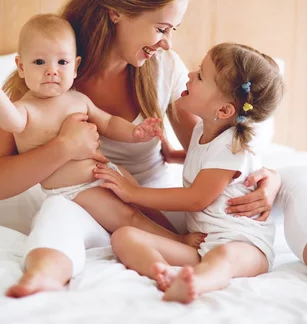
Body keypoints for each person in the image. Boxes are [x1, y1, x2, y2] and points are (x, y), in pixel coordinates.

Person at [0, 0, 307, 299]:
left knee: (303, 177)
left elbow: (207, 148)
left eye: (173, 29)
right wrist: (62, 148)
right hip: (95, 206)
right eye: (161, 27)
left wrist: (265, 175)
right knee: (57, 213)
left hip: (161, 206)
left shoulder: (163, 68)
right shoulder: (51, 72)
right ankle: (44, 276)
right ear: (117, 11)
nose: (168, 42)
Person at [0, 14, 204, 297]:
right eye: (39, 62)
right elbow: (9, 121)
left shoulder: (78, 99)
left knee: (141, 204)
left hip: (107, 173)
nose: (52, 71)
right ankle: (43, 273)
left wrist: (136, 132)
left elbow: (108, 123)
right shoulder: (27, 108)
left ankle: (174, 238)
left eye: (62, 63)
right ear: (20, 66)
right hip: (77, 190)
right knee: (127, 217)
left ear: (75, 65)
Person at [94, 43, 284, 303]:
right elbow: (203, 162)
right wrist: (173, 154)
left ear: (224, 111)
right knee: (123, 237)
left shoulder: (231, 148)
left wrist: (134, 194)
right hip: (201, 245)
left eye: (201, 76)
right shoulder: (202, 131)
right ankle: (160, 273)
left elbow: (197, 198)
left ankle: (198, 282)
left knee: (223, 259)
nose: (190, 76)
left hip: (244, 245)